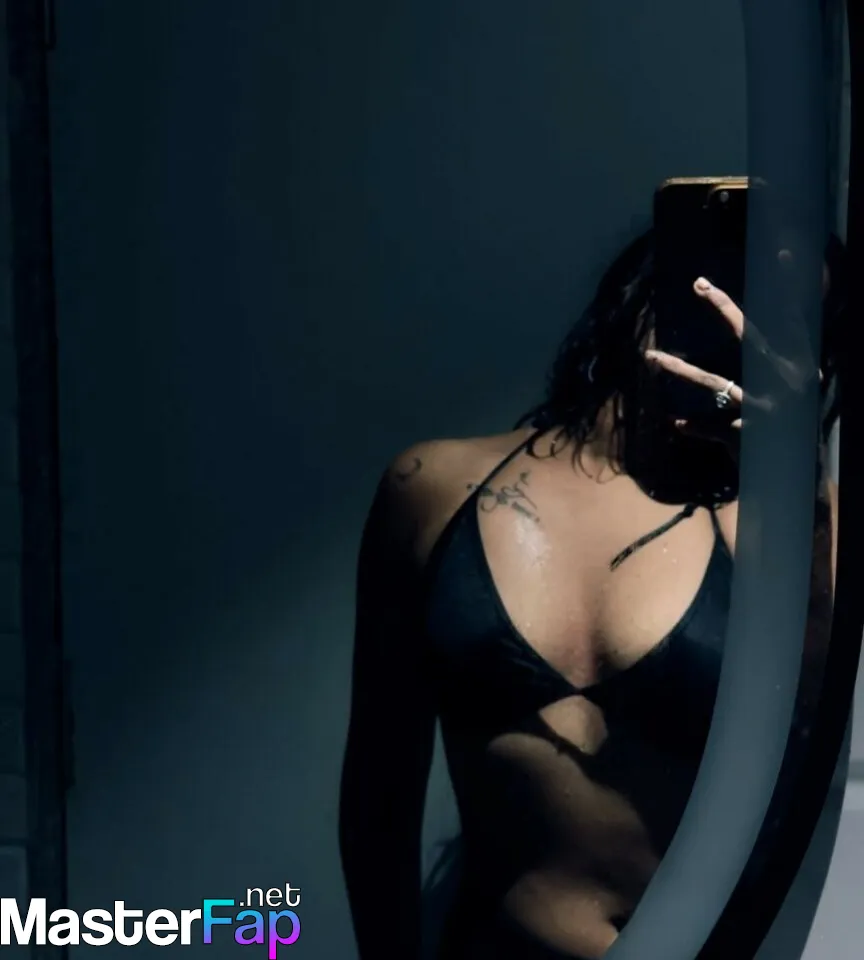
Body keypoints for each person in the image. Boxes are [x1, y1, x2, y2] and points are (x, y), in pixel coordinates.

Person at [339, 227, 844, 960]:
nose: (744, 328)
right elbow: (379, 796)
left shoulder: (801, 525)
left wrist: (795, 485)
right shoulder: (433, 488)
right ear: (650, 289)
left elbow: (814, 746)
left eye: (791, 323)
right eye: (728, 291)